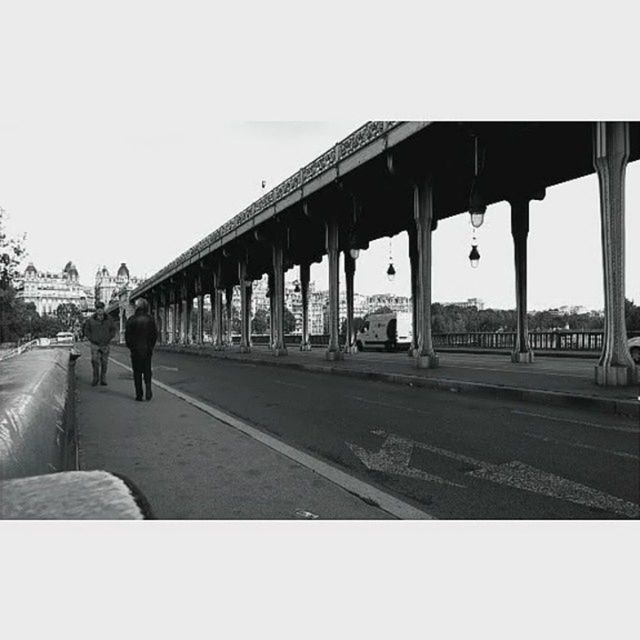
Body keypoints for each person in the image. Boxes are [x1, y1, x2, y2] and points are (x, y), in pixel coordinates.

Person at [124, 298, 158, 401]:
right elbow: (154, 335)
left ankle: (139, 394)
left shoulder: (131, 320)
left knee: (137, 372)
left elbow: (127, 336)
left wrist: (131, 347)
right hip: (147, 349)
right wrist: (150, 346)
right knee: (147, 370)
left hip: (135, 350)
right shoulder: (150, 319)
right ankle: (148, 390)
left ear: (137, 308)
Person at [82, 301, 117, 386]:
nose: (99, 311)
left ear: (103, 309)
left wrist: (109, 338)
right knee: (94, 361)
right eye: (98, 309)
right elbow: (86, 330)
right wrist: (91, 338)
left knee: (104, 362)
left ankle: (103, 378)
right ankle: (95, 378)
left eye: (101, 309)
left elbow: (113, 329)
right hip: (95, 344)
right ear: (96, 309)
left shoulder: (109, 319)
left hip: (105, 343)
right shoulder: (91, 320)